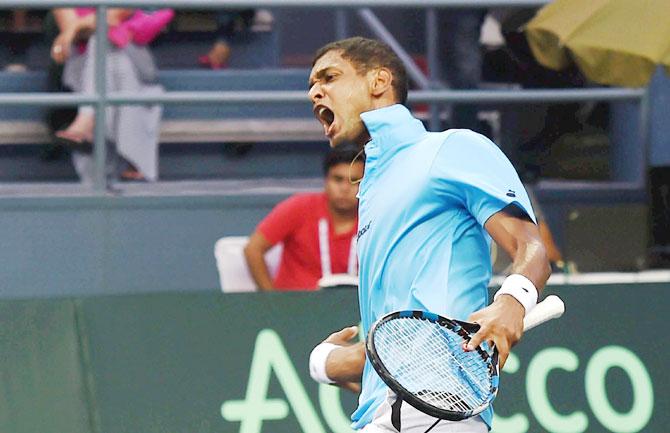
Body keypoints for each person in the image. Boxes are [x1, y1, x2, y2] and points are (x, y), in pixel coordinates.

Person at [306, 37, 551, 432]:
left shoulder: (450, 149)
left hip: (437, 404)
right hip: (382, 413)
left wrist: (513, 300)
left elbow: (530, 246)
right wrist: (323, 363)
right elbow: (389, 347)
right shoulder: (370, 191)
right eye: (312, 86)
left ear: (379, 81)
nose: (316, 91)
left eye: (329, 77)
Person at [51, 7, 170, 182]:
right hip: (82, 65)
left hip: (130, 55)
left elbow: (115, 15)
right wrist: (83, 27)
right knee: (100, 44)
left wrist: (75, 28)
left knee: (104, 46)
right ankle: (134, 158)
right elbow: (79, 26)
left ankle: (86, 119)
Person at [243, 145, 362, 291]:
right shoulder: (299, 207)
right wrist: (272, 301)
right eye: (338, 179)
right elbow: (253, 249)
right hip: (293, 308)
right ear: (326, 180)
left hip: (353, 309)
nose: (345, 188)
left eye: (355, 181)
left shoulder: (374, 220)